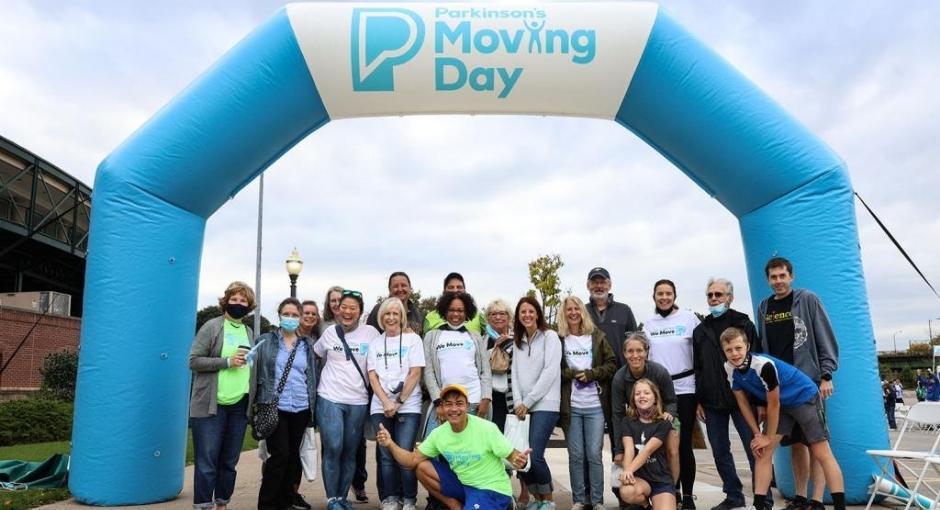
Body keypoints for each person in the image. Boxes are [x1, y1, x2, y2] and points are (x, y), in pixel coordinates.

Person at [721, 327, 846, 510]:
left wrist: (768, 437)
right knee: (762, 452)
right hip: (783, 404)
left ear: (747, 346)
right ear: (723, 351)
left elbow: (774, 405)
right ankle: (760, 505)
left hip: (803, 397)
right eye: (729, 350)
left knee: (821, 452)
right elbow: (743, 404)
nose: (734, 353)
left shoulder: (763, 365)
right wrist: (757, 434)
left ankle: (839, 506)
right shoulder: (729, 368)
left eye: (738, 348)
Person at [756, 257, 839, 510]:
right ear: (768, 280)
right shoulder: (764, 307)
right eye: (774, 277)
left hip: (806, 385)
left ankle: (817, 500)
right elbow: (762, 349)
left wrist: (826, 374)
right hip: (779, 388)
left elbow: (824, 334)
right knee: (794, 445)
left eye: (783, 276)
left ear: (791, 276)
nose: (778, 281)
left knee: (816, 443)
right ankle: (801, 497)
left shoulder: (807, 299)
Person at [376, 384, 530, 510]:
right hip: (463, 484)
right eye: (448, 404)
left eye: (459, 403)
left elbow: (513, 455)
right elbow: (411, 461)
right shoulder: (439, 434)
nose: (454, 409)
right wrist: (390, 444)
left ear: (467, 406)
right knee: (421, 466)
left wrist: (520, 460)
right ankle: (455, 506)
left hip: (491, 490)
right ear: (442, 408)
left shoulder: (487, 428)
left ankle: (508, 504)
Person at [691, 278, 769, 510]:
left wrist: (761, 401)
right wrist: (698, 400)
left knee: (754, 448)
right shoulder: (700, 330)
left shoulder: (743, 323)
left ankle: (763, 499)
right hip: (712, 401)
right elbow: (698, 367)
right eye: (710, 295)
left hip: (743, 399)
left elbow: (758, 362)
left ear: (730, 297)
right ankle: (733, 495)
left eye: (719, 294)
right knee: (720, 451)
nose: (714, 299)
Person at [189, 281, 257, 510]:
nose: (239, 304)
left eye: (243, 301)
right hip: (211, 404)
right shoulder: (212, 326)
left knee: (229, 461)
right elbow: (194, 361)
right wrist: (227, 362)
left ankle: (222, 503)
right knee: (207, 460)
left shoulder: (248, 332)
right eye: (234, 299)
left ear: (250, 305)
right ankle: (203, 505)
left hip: (239, 405)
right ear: (226, 301)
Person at [314, 290, 379, 510]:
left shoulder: (371, 333)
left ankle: (342, 497)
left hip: (358, 400)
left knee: (350, 451)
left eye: (353, 308)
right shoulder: (330, 333)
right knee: (333, 446)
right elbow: (314, 356)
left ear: (360, 312)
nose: (348, 312)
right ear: (338, 310)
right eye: (344, 307)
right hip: (330, 397)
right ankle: (332, 499)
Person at [253, 297, 319, 510]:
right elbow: (255, 372)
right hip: (275, 406)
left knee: (292, 457)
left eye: (294, 315)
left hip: (300, 406)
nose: (290, 318)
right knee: (279, 455)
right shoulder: (266, 341)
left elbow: (311, 375)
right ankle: (266, 504)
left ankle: (285, 501)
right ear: (279, 316)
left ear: (300, 318)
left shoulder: (306, 345)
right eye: (286, 314)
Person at [644, 279, 700, 510]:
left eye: (668, 293)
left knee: (683, 445)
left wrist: (701, 395)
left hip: (686, 389)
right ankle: (669, 491)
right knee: (661, 445)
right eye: (660, 293)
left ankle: (687, 495)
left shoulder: (689, 319)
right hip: (659, 394)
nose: (664, 297)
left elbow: (702, 355)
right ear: (654, 296)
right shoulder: (648, 324)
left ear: (675, 296)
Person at [559, 296, 617, 510]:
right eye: (568, 310)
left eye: (576, 308)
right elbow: (556, 371)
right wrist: (573, 373)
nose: (573, 312)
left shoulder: (597, 336)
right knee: (575, 455)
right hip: (571, 406)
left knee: (593, 454)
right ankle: (579, 500)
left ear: (582, 311)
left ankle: (597, 500)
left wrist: (593, 373)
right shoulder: (560, 339)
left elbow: (612, 364)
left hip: (595, 406)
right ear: (564, 314)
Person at [368, 297, 426, 510]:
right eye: (387, 314)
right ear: (381, 317)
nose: (391, 318)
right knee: (386, 456)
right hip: (380, 407)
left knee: (404, 453)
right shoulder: (375, 343)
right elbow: (372, 376)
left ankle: (409, 498)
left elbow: (415, 372)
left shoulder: (413, 340)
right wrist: (385, 402)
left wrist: (398, 402)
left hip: (408, 407)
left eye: (396, 313)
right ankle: (391, 498)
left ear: (402, 316)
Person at [611, 332, 680, 508]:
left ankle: (673, 487)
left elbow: (671, 400)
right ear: (624, 353)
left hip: (664, 416)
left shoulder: (659, 372)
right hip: (637, 418)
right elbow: (618, 414)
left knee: (672, 446)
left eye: (639, 350)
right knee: (629, 452)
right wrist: (617, 449)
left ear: (647, 351)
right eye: (630, 351)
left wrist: (668, 414)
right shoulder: (619, 378)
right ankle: (642, 498)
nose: (635, 355)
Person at [512, 296, 562, 509]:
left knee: (536, 455)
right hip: (523, 407)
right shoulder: (518, 341)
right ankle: (537, 500)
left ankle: (549, 501)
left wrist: (529, 401)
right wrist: (518, 402)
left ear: (538, 314)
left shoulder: (550, 337)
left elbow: (550, 371)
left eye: (531, 311)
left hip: (545, 404)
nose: (527, 315)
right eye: (523, 312)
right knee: (524, 458)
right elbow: (514, 373)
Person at [483, 298, 531, 508]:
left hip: (512, 399)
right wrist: (494, 348)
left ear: (509, 317)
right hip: (491, 399)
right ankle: (501, 490)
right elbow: (479, 365)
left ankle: (525, 492)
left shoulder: (517, 339)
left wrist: (506, 345)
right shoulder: (482, 339)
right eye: (494, 314)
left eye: (502, 313)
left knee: (518, 444)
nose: (498, 317)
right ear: (488, 318)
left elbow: (523, 367)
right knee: (494, 447)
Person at [423, 291, 492, 436]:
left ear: (467, 312)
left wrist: (485, 398)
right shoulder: (432, 336)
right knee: (432, 450)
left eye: (460, 310)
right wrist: (438, 402)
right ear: (444, 311)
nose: (456, 314)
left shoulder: (475, 336)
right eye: (452, 310)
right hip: (444, 404)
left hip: (473, 402)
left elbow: (485, 371)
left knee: (470, 449)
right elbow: (428, 372)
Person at [618, 379, 678, 510]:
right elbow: (629, 450)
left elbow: (648, 450)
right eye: (638, 393)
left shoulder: (663, 422)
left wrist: (672, 484)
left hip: (661, 479)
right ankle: (646, 506)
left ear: (655, 398)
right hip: (640, 479)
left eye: (646, 393)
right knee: (626, 491)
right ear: (633, 399)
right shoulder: (627, 421)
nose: (642, 396)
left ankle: (668, 496)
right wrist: (628, 474)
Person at [585, 267, 637, 368]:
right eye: (594, 282)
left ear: (609, 285)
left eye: (603, 282)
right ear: (588, 286)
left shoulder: (624, 310)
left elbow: (635, 341)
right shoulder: (581, 311)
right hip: (591, 374)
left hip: (621, 372)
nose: (599, 286)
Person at [366, 271, 426, 336]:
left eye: (403, 285)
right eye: (395, 286)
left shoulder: (418, 314)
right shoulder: (378, 310)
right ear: (389, 289)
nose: (400, 289)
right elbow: (369, 336)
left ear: (410, 288)